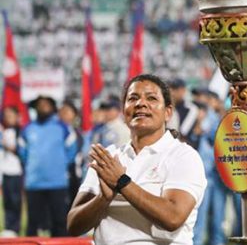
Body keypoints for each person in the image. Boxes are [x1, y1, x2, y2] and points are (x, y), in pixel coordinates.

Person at [67, 74, 207, 244]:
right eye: (132, 98)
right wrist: (103, 199)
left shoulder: (183, 156)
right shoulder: (108, 157)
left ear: (167, 112)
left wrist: (122, 182)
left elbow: (173, 218)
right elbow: (73, 225)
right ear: (124, 110)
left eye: (151, 98)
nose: (141, 103)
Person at [19, 95, 79, 236]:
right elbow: (22, 152)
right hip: (34, 183)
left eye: (46, 104)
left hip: (57, 183)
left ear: (53, 108)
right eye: (40, 105)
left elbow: (72, 149)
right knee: (32, 223)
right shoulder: (28, 129)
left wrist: (60, 164)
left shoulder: (62, 128)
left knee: (59, 221)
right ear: (35, 108)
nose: (43, 107)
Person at [1, 107, 23, 235]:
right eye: (6, 115)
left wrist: (10, 147)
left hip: (16, 171)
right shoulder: (4, 131)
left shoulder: (20, 132)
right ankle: (8, 227)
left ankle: (15, 227)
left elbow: (21, 151)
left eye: (10, 115)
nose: (8, 118)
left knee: (15, 201)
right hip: (5, 171)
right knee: (7, 201)